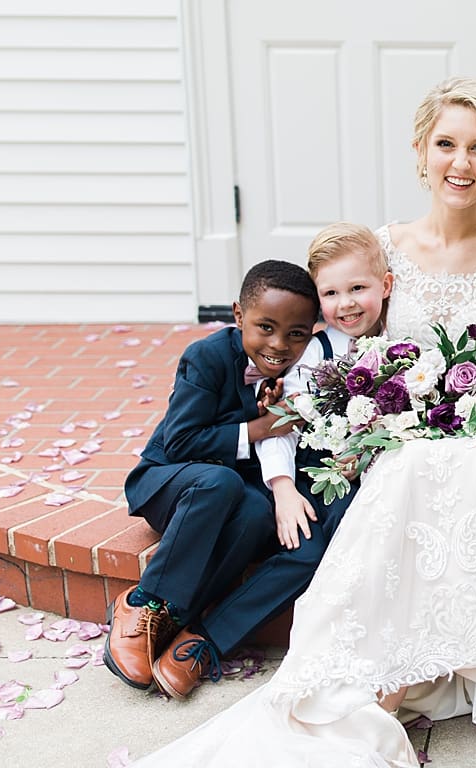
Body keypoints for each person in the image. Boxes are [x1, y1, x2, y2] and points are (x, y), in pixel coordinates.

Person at [132, 77, 476, 768]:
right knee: (405, 474)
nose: (461, 162)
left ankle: (460, 658)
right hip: (397, 438)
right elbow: (336, 336)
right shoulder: (381, 247)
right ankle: (384, 664)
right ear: (420, 151)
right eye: (446, 144)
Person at [106, 260, 355, 700]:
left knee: (258, 511)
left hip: (235, 493)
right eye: (265, 327)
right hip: (173, 481)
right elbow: (181, 441)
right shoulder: (207, 356)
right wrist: (259, 427)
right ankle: (143, 604)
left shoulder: (299, 369)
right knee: (220, 485)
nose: (279, 344)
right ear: (239, 315)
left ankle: (184, 625)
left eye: (296, 333)